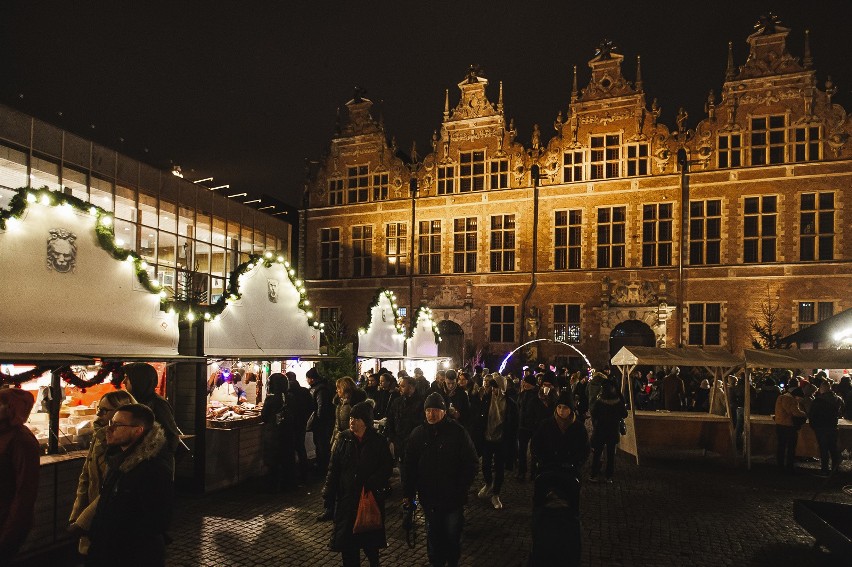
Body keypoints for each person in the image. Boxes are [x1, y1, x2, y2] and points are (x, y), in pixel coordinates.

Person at [86, 403, 173, 567]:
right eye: (111, 423)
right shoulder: (117, 459)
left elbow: (157, 519)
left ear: (137, 430)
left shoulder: (152, 468)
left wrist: (122, 541)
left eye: (118, 425)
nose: (109, 429)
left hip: (132, 555)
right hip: (105, 549)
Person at [403, 393, 479, 567]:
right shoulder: (418, 434)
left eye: (436, 410)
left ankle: (452, 562)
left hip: (453, 499)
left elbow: (471, 463)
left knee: (452, 536)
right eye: (428, 410)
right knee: (434, 536)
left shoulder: (458, 432)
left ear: (444, 412)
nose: (431, 414)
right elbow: (409, 466)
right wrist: (408, 493)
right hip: (429, 499)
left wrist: (461, 488)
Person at [323, 401, 393, 567]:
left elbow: (386, 467)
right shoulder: (343, 438)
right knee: (348, 544)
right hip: (347, 498)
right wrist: (329, 491)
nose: (352, 422)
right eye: (351, 418)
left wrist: (372, 482)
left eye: (356, 419)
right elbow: (334, 467)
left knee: (370, 541)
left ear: (366, 421)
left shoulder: (378, 441)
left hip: (370, 497)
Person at [68, 390, 136, 555]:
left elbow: (113, 488)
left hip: (115, 524)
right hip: (93, 523)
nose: (99, 414)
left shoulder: (130, 445)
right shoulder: (99, 437)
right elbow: (85, 478)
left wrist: (83, 521)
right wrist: (76, 515)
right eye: (99, 408)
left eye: (105, 410)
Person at [0, 388, 40, 561]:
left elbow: (25, 490)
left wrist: (8, 535)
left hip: (5, 520)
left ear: (12, 408)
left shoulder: (22, 440)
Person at [120, 363, 180, 473]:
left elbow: (171, 436)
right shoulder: (136, 402)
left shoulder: (158, 404)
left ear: (139, 380)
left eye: (127, 378)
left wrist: (157, 460)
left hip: (152, 467)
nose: (123, 382)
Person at [475, 373, 518, 509]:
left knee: (499, 468)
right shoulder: (487, 399)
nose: (494, 391)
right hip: (488, 437)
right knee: (485, 465)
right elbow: (480, 415)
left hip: (501, 440)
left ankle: (496, 494)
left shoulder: (510, 404)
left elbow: (513, 425)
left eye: (497, 388)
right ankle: (488, 484)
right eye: (493, 388)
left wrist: (511, 443)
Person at [530, 390, 590, 482]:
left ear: (571, 409)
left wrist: (576, 464)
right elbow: (536, 444)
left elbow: (584, 449)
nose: (561, 411)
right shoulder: (546, 424)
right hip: (548, 467)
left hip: (570, 469)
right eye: (559, 407)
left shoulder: (579, 427)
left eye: (565, 408)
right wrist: (542, 461)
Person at [261, 373, 295, 492]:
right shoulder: (289, 397)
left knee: (272, 461)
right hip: (287, 433)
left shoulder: (271, 399)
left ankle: (272, 486)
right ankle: (287, 484)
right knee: (286, 459)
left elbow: (264, 416)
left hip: (273, 434)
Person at [589, 381, 628, 483]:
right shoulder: (618, 402)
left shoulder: (599, 401)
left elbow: (593, 413)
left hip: (600, 430)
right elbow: (625, 414)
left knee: (597, 453)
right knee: (611, 455)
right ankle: (608, 476)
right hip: (613, 430)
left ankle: (594, 474)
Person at [384, 376, 424, 465]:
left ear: (411, 387)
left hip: (414, 443)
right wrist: (391, 439)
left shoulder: (421, 402)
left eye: (402, 386)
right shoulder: (397, 402)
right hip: (399, 443)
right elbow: (390, 420)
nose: (399, 389)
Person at [808, 381, 845, 475]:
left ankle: (824, 469)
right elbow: (842, 411)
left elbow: (812, 415)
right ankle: (834, 469)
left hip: (821, 428)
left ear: (822, 389)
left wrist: (814, 426)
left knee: (823, 449)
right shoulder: (838, 399)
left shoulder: (818, 401)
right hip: (833, 427)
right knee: (833, 448)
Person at [287, 372, 316, 485]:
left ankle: (292, 474)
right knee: (300, 447)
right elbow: (311, 406)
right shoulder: (304, 391)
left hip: (291, 424)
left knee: (291, 448)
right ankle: (304, 472)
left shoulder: (288, 393)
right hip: (302, 423)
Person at [307, 367, 335, 477]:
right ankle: (322, 466)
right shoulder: (322, 388)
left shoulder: (320, 390)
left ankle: (323, 468)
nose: (307, 381)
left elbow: (321, 408)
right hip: (323, 422)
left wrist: (317, 421)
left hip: (323, 424)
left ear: (312, 379)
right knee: (320, 445)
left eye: (308, 379)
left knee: (322, 445)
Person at [773, 386, 807, 473]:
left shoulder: (780, 397)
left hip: (779, 425)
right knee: (791, 448)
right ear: (796, 395)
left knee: (781, 446)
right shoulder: (790, 400)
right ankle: (789, 467)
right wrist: (804, 413)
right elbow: (796, 412)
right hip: (789, 426)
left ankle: (780, 465)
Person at [516, 373, 538, 481]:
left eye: (527, 382)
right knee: (522, 450)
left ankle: (534, 472)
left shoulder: (537, 395)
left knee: (534, 450)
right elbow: (518, 407)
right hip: (522, 426)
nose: (524, 384)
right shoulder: (522, 394)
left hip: (533, 426)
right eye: (524, 381)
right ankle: (522, 471)